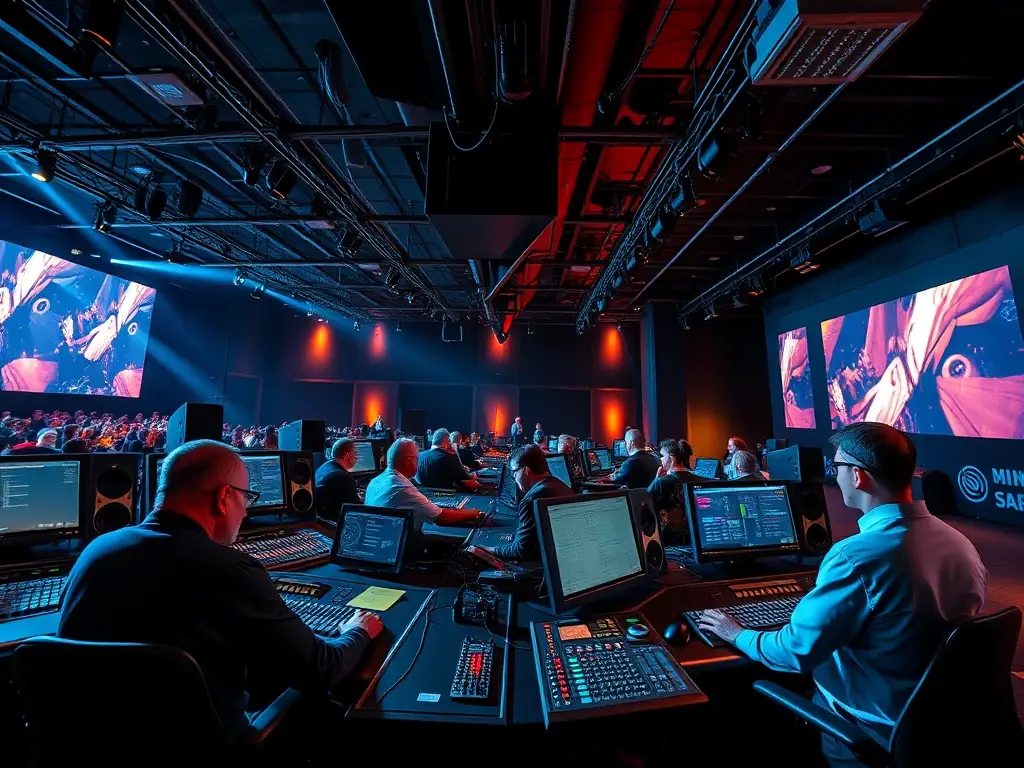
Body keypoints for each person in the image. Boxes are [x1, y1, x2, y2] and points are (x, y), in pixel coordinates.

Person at [698, 423, 987, 767]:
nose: (834, 475)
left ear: (859, 477)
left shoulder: (855, 557)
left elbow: (793, 652)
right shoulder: (961, 544)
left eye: (837, 467)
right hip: (943, 718)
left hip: (870, 725)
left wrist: (736, 632)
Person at [57, 440, 384, 739]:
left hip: (87, 749)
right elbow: (321, 669)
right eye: (246, 497)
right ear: (225, 497)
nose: (246, 510)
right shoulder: (232, 571)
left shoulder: (95, 552)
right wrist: (357, 631)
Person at [483, 444, 573, 561]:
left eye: (515, 473)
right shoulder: (562, 486)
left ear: (526, 470)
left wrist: (490, 550)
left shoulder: (532, 498)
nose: (515, 479)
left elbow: (521, 550)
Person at [365, 438, 483, 527]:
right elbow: (441, 517)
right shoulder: (400, 486)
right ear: (408, 462)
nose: (418, 463)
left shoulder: (375, 482)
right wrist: (473, 513)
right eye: (417, 459)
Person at [647, 438, 700, 543]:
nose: (660, 460)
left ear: (672, 458)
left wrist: (656, 480)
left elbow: (645, 502)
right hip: (695, 540)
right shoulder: (699, 479)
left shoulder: (660, 483)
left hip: (669, 542)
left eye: (662, 456)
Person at [315, 438, 362, 522]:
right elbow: (357, 511)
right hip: (336, 526)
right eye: (355, 454)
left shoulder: (323, 468)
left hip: (323, 522)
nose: (357, 458)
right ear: (347, 456)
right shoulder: (342, 478)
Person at [415, 429, 479, 491]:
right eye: (449, 441)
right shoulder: (449, 457)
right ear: (446, 440)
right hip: (451, 497)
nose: (450, 443)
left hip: (424, 497)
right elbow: (468, 483)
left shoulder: (419, 456)